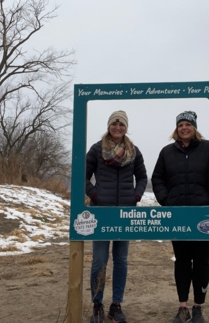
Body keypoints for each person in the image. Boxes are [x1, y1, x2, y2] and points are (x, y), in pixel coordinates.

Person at [152, 111, 209, 323]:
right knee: (182, 261)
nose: (184, 128)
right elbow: (157, 177)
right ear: (176, 129)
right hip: (177, 215)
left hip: (204, 216)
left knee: (202, 261)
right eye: (180, 125)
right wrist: (166, 201)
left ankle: (198, 307)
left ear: (195, 127)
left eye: (188, 124)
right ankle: (182, 307)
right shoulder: (167, 152)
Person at [86, 110, 148, 323]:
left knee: (121, 260)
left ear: (126, 127)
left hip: (126, 214)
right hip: (101, 214)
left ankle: (116, 305)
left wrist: (136, 195)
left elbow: (142, 177)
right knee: (99, 261)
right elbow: (82, 177)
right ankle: (97, 304)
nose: (118, 128)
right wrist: (96, 195)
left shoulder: (134, 151)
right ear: (109, 126)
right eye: (114, 124)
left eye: (121, 125)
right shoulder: (96, 149)